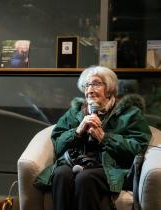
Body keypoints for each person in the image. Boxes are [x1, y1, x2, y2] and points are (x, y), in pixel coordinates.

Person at [36, 66, 151, 210]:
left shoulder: (130, 114)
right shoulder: (75, 112)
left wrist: (105, 138)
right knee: (61, 174)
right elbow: (58, 145)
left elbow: (138, 148)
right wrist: (77, 132)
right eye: (86, 85)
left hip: (111, 167)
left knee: (86, 178)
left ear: (109, 89)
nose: (89, 90)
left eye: (96, 84)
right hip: (76, 161)